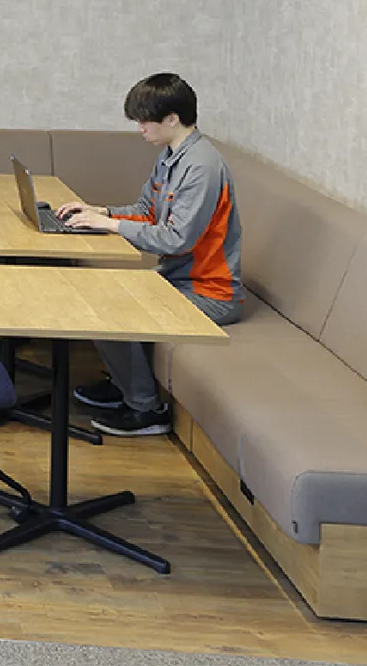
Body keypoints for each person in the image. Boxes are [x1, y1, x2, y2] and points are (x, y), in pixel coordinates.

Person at [56, 73, 243, 437]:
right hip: (176, 279)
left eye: (145, 120)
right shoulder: (171, 157)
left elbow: (176, 240)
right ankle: (124, 385)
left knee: (113, 309)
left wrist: (110, 226)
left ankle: (146, 410)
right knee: (99, 292)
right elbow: (147, 211)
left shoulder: (202, 168)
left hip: (210, 293)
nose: (139, 128)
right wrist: (101, 212)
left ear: (172, 119)